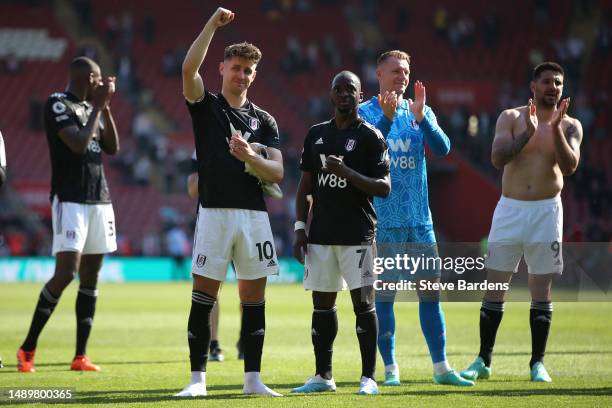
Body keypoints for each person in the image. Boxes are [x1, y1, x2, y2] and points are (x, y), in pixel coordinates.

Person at [175, 7, 284, 398]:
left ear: (255, 75)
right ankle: (197, 380)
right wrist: (211, 24)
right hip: (215, 213)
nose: (241, 75)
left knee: (254, 300)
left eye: (248, 70)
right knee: (204, 296)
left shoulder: (265, 121)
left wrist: (250, 158)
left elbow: (278, 173)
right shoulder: (207, 108)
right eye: (235, 67)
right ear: (222, 68)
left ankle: (253, 380)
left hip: (255, 216)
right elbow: (188, 70)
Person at [461, 62, 582, 383]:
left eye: (557, 82)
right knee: (495, 284)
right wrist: (528, 134)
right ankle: (483, 360)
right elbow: (498, 159)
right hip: (510, 209)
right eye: (546, 82)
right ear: (533, 86)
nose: (552, 87)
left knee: (540, 287)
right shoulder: (512, 118)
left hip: (546, 212)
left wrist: (553, 128)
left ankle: (537, 363)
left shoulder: (571, 126)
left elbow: (569, 167)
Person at [359, 50, 473, 386]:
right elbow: (364, 155)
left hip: (420, 221)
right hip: (383, 221)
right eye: (394, 70)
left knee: (430, 293)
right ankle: (391, 369)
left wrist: (423, 118)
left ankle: (441, 368)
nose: (401, 76)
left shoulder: (419, 111)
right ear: (378, 74)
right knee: (385, 295)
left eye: (406, 70)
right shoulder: (365, 112)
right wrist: (386, 118)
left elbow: (443, 149)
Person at [17, 56, 120, 372]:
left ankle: (80, 356)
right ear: (89, 78)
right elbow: (77, 144)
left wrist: (105, 107)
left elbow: (112, 148)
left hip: (99, 199)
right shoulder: (58, 104)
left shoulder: (94, 108)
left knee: (91, 276)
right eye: (99, 78)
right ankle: (28, 348)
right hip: (70, 198)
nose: (102, 83)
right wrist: (97, 107)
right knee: (66, 273)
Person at [292, 70, 391, 395]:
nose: (345, 94)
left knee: (364, 306)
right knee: (322, 307)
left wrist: (346, 171)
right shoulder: (316, 134)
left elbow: (384, 188)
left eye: (351, 89)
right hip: (320, 236)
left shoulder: (371, 137)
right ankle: (323, 375)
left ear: (360, 97)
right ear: (331, 96)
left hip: (359, 236)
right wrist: (299, 228)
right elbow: (305, 186)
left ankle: (369, 378)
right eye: (339, 89)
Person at [187, 150, 224, 362]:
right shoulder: (199, 150)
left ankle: (245, 341)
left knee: (248, 287)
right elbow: (192, 190)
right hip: (211, 221)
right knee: (212, 288)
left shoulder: (250, 138)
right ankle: (214, 343)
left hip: (245, 217)